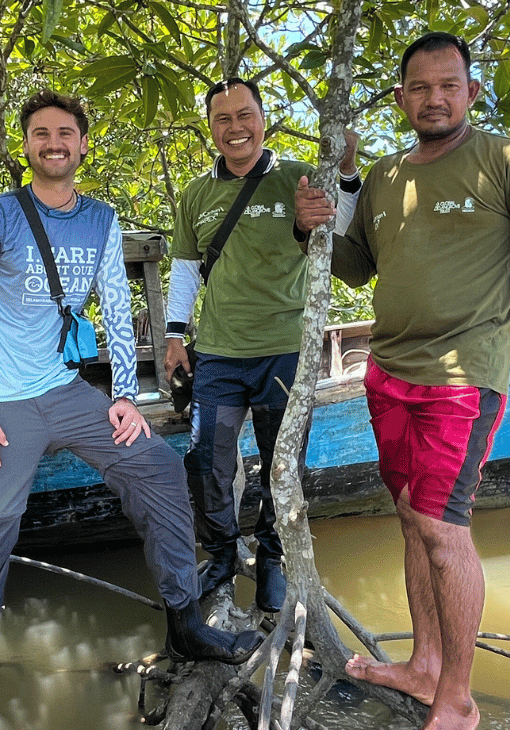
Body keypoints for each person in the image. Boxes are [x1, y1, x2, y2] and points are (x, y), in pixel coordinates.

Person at [294, 32, 510, 730]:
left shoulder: (507, 160)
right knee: (409, 517)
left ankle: (456, 703)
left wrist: (491, 320)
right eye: (419, 88)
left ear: (471, 91)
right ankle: (426, 665)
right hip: (388, 370)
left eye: (448, 85)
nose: (434, 98)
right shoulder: (390, 175)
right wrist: (323, 218)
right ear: (401, 98)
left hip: (461, 379)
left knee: (442, 527)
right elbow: (360, 268)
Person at [0, 90, 260, 721]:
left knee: (161, 471)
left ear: (83, 144)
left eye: (65, 133)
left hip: (63, 389)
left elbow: (114, 305)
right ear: (25, 147)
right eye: (41, 133)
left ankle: (185, 621)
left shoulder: (102, 219)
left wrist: (123, 397)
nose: (54, 143)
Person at [161, 78, 360, 614]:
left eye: (244, 115)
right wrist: (176, 335)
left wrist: (344, 171)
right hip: (221, 354)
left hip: (284, 351)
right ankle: (222, 557)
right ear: (211, 129)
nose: (235, 128)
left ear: (263, 118)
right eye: (222, 119)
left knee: (282, 464)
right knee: (204, 460)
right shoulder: (197, 194)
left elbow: (340, 225)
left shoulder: (295, 175)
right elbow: (184, 270)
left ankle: (272, 560)